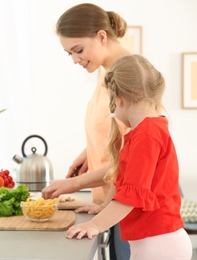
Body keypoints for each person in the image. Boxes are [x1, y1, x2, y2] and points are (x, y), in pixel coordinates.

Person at [66, 54, 193, 259]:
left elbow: (132, 196)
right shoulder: (145, 131)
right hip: (156, 243)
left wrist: (96, 225)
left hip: (159, 245)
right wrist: (104, 207)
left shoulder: (147, 135)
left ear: (118, 99)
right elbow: (123, 182)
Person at [41, 3, 131, 259]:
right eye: (69, 53)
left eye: (78, 50)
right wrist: (88, 152)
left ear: (101, 36)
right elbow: (115, 130)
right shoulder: (108, 72)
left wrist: (73, 183)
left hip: (126, 208)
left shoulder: (126, 75)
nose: (75, 59)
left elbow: (131, 156)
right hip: (110, 202)